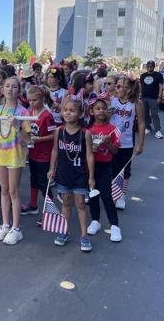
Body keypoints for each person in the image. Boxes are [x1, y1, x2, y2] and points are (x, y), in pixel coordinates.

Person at [47, 97, 95, 252]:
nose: (67, 113)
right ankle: (64, 231)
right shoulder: (59, 131)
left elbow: (89, 156)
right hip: (63, 173)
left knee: (80, 203)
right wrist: (52, 168)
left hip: (79, 174)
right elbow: (55, 151)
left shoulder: (85, 133)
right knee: (66, 203)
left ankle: (84, 235)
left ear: (80, 114)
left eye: (72, 110)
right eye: (65, 110)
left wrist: (91, 177)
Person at [0, 77, 31, 245]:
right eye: (7, 86)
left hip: (15, 155)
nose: (10, 89)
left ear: (19, 91)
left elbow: (27, 139)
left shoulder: (23, 112)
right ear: (2, 89)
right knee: (4, 190)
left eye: (14, 87)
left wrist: (18, 126)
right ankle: (5, 224)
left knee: (13, 191)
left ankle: (16, 228)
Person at [87, 99, 122, 242]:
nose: (101, 110)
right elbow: (84, 151)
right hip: (91, 166)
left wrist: (108, 144)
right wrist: (91, 149)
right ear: (91, 112)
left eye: (103, 108)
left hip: (106, 166)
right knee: (93, 195)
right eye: (97, 108)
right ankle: (95, 221)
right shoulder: (88, 130)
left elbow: (115, 151)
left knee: (107, 196)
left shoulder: (113, 129)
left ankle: (114, 225)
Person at [110, 77, 145, 210]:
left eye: (125, 87)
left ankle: (121, 196)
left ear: (131, 89)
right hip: (109, 141)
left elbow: (141, 124)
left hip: (126, 142)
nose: (120, 89)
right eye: (118, 86)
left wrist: (140, 144)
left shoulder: (137, 103)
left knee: (124, 170)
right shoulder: (111, 100)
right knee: (109, 168)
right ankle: (110, 192)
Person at [21, 86, 56, 217]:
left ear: (42, 99)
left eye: (34, 100)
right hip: (33, 153)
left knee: (44, 184)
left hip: (44, 155)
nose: (32, 103)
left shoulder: (47, 115)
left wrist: (39, 139)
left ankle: (50, 212)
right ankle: (33, 205)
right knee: (34, 179)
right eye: (29, 100)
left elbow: (54, 135)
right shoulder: (29, 113)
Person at [140, 60, 164, 139]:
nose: (149, 67)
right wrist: (139, 96)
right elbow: (141, 86)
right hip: (144, 97)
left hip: (154, 98)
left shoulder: (158, 75)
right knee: (145, 114)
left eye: (151, 66)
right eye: (148, 66)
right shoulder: (143, 75)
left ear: (154, 67)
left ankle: (158, 130)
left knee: (154, 114)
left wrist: (160, 97)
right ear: (146, 67)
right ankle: (147, 128)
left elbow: (161, 87)